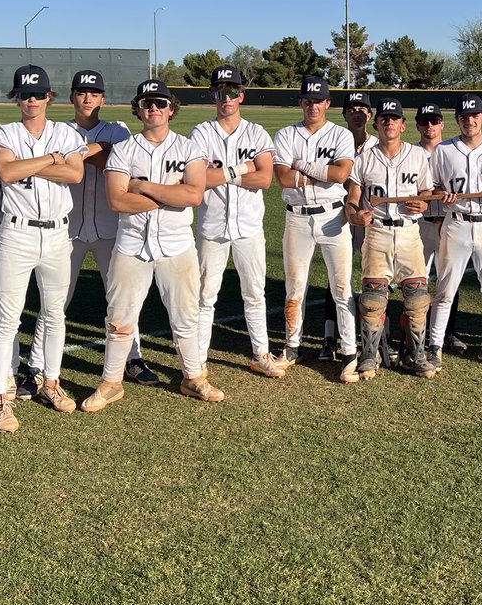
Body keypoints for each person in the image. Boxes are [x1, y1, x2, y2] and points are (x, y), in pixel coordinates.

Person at [82, 80, 222, 411]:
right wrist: (169, 194)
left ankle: (193, 377)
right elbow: (117, 200)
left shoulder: (188, 148)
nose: (153, 109)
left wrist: (142, 187)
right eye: (146, 104)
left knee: (185, 316)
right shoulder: (125, 149)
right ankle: (111, 382)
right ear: (138, 110)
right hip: (131, 243)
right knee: (119, 318)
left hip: (177, 244)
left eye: (160, 103)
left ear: (171, 108)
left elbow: (194, 195)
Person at [23, 69, 157, 400]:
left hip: (111, 228)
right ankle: (36, 367)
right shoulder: (56, 131)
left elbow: (114, 163)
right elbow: (68, 167)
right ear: (71, 97)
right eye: (81, 92)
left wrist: (80, 153)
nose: (87, 98)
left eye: (94, 93)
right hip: (67, 228)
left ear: (102, 99)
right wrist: (92, 153)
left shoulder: (118, 129)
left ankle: (133, 358)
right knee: (54, 302)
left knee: (123, 300)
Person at [0, 65, 85, 431]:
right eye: (24, 94)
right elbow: (6, 172)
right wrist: (50, 160)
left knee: (55, 314)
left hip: (59, 233)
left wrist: (31, 165)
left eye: (38, 94)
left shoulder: (64, 131)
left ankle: (51, 382)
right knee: (7, 319)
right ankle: (0, 398)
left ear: (49, 97)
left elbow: (75, 174)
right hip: (17, 233)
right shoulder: (6, 132)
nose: (31, 100)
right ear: (16, 98)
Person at [191, 65, 283, 379]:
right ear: (213, 95)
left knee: (255, 293)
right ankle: (198, 360)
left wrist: (224, 175)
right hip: (212, 227)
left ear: (241, 95)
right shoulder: (202, 132)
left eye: (232, 91)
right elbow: (199, 179)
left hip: (248, 226)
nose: (226, 97)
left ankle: (260, 354)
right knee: (205, 295)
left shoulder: (256, 132)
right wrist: (241, 169)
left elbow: (265, 179)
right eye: (220, 91)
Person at [272, 76, 358, 382]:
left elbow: (340, 175)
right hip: (297, 217)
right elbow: (283, 178)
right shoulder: (285, 134)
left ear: (327, 104)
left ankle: (349, 351)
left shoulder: (341, 135)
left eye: (318, 101)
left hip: (333, 217)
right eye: (307, 101)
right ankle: (291, 346)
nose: (312, 106)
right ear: (301, 103)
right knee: (295, 287)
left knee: (342, 287)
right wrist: (322, 173)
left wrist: (302, 165)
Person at [345, 97, 435, 379]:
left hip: (409, 232)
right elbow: (352, 200)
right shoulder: (364, 159)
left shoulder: (418, 155)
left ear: (403, 126)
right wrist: (355, 216)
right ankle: (370, 355)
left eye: (394, 118)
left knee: (418, 298)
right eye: (384, 118)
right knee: (372, 298)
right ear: (377, 124)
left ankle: (416, 355)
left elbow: (426, 194)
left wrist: (423, 204)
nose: (389, 122)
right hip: (377, 232)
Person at [427, 94, 482, 371]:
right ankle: (434, 346)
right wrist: (443, 195)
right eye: (464, 117)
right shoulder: (444, 151)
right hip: (456, 223)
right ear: (458, 120)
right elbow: (432, 189)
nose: (469, 121)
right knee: (445, 289)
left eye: (474, 116)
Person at [319, 90, 378, 361]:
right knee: (337, 277)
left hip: (369, 219)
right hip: (335, 218)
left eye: (362, 109)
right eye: (351, 109)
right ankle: (330, 336)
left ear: (370, 115)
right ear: (343, 114)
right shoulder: (331, 142)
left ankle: (372, 335)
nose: (357, 113)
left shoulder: (379, 145)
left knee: (373, 278)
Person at [415, 103, 467, 355]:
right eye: (424, 121)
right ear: (417, 125)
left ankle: (449, 332)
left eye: (434, 121)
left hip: (450, 222)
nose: (430, 126)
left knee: (449, 280)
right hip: (421, 225)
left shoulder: (454, 152)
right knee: (417, 281)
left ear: (443, 124)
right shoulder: (409, 153)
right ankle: (417, 331)